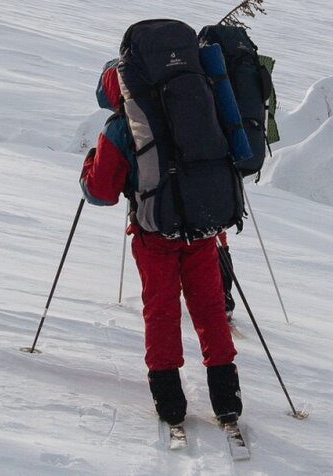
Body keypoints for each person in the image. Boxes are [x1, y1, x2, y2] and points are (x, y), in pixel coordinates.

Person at [80, 59, 242, 427]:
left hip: (155, 236)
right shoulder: (196, 110)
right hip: (202, 231)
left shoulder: (122, 127)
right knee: (210, 308)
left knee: (161, 310)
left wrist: (90, 163)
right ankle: (226, 398)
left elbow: (100, 192)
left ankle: (169, 400)